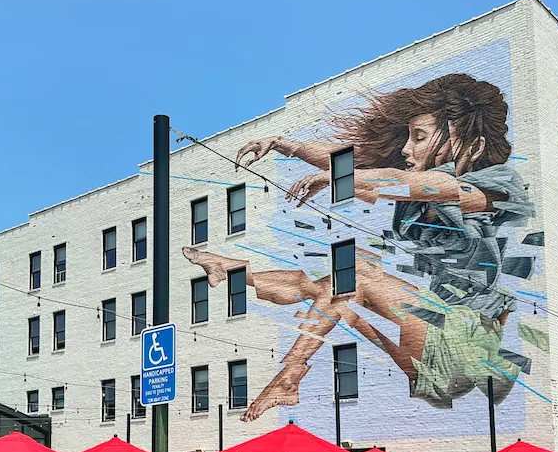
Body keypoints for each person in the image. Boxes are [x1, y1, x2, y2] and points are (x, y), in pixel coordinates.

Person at [185, 73, 534, 423]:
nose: (406, 148)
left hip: (467, 346)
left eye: (420, 137)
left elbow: (422, 184)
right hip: (435, 342)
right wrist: (281, 143)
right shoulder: (417, 183)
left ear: (469, 143)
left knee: (359, 275)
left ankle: (289, 377)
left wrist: (346, 180)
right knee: (332, 286)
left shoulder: (495, 184)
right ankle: (235, 273)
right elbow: (354, 163)